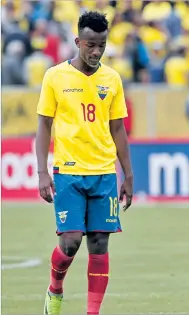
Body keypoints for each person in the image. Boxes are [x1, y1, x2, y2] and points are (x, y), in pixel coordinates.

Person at [36, 11, 134, 315]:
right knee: (70, 243)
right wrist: (42, 172)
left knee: (99, 245)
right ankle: (55, 288)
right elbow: (43, 126)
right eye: (90, 44)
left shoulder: (112, 78)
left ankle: (93, 312)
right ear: (78, 41)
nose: (96, 52)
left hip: (104, 173)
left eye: (101, 46)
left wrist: (127, 174)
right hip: (68, 173)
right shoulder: (55, 76)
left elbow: (117, 128)